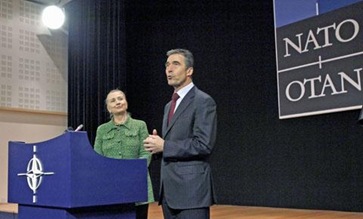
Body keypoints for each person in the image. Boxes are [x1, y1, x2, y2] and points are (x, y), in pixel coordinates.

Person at [143, 49, 217, 219]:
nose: (169, 69)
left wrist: (165, 145)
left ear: (189, 71)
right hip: (169, 193)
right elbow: (172, 145)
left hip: (192, 193)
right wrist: (156, 147)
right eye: (167, 65)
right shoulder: (169, 106)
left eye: (176, 64)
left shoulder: (203, 101)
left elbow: (203, 144)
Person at [94, 89, 154, 219]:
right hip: (111, 186)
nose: (118, 102)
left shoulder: (140, 125)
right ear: (108, 108)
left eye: (120, 98)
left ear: (126, 102)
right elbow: (97, 157)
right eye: (113, 100)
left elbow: (146, 152)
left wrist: (133, 172)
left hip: (137, 184)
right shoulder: (102, 130)